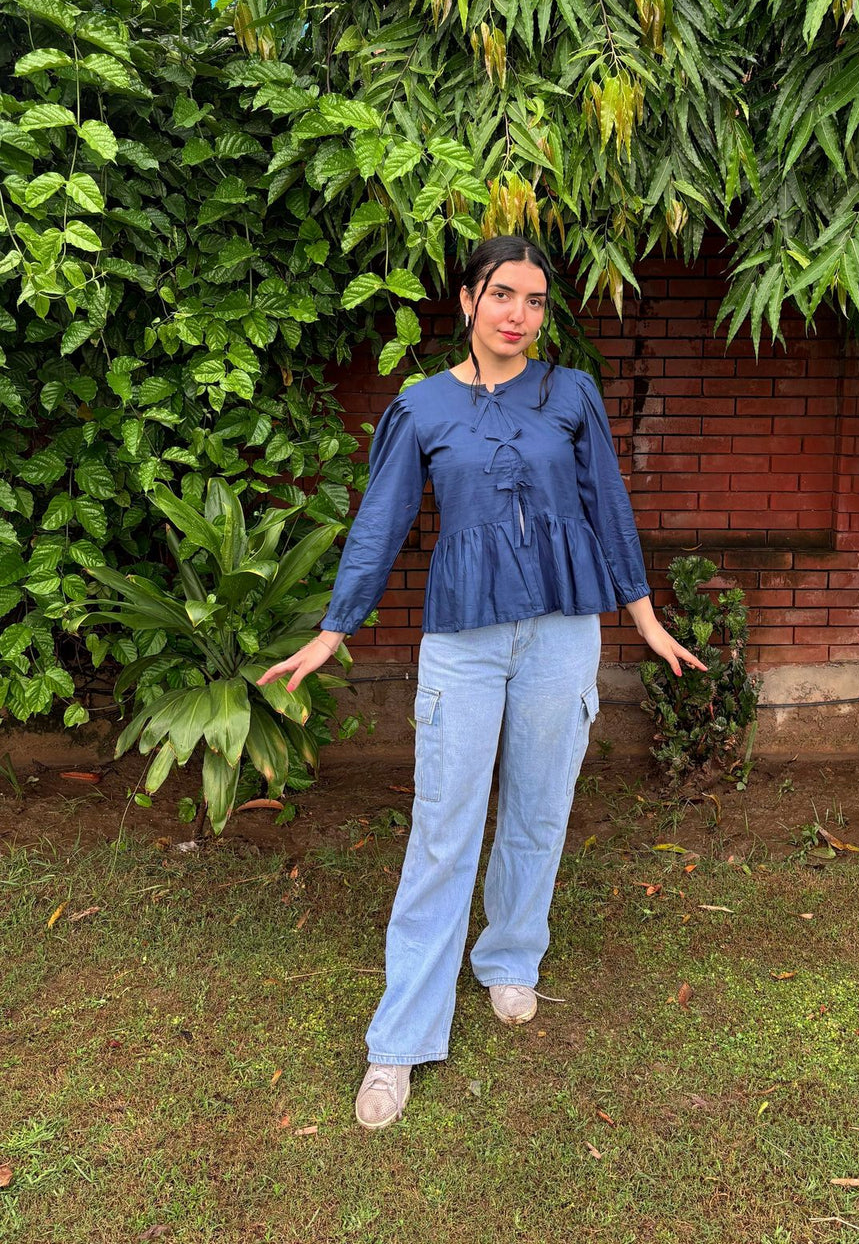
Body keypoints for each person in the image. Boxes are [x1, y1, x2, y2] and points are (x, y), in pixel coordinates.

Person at [258, 235, 706, 1130]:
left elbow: (608, 508)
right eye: (503, 295)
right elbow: (381, 522)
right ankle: (400, 1039)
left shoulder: (571, 392)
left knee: (540, 807)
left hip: (561, 633)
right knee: (442, 829)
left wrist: (644, 619)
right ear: (466, 300)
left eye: (536, 301)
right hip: (463, 641)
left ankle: (509, 958)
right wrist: (332, 630)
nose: (519, 315)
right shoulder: (420, 407)